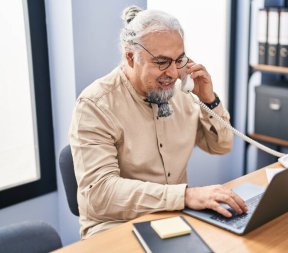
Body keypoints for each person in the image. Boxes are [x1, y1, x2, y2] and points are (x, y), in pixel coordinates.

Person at [69, 5, 247, 239]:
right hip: (115, 226)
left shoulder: (181, 92)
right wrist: (184, 197)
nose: (173, 73)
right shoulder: (95, 105)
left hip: (174, 218)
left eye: (179, 60)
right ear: (131, 57)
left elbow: (220, 146)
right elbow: (100, 195)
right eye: (161, 62)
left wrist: (209, 100)